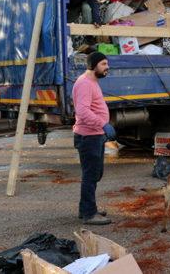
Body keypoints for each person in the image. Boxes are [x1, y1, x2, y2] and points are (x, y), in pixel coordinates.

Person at [72, 52, 116, 225]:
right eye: (104, 64)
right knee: (91, 175)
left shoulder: (92, 81)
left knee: (95, 174)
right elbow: (82, 111)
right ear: (93, 65)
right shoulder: (84, 83)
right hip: (88, 136)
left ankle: (87, 209)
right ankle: (89, 214)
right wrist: (102, 124)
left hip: (95, 135)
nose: (107, 67)